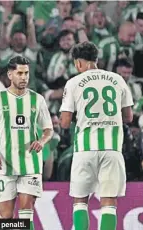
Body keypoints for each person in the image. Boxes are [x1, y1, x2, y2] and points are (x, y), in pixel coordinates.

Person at [59, 41, 133, 230]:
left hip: (85, 148)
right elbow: (128, 117)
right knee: (109, 202)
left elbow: (65, 122)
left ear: (78, 63)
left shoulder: (74, 83)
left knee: (80, 201)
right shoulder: (117, 79)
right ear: (96, 59)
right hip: (112, 148)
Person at [0, 56, 53, 229]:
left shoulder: (38, 99)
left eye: (26, 73)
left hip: (30, 164)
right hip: (4, 165)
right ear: (10, 74)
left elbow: (48, 129)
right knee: (5, 217)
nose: (24, 77)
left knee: (26, 213)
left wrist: (42, 141)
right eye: (19, 73)